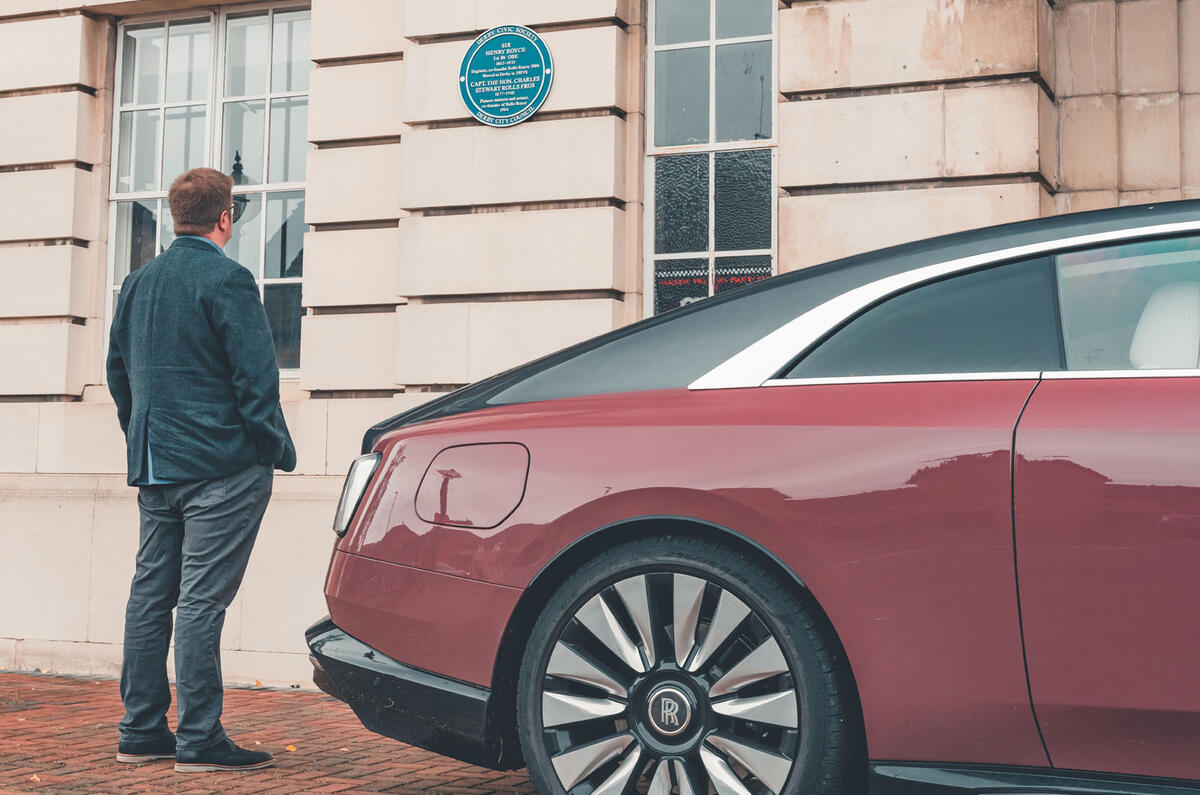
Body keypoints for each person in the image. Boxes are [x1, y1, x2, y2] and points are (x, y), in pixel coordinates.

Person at [107, 167, 297, 773]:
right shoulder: (228, 279)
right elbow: (256, 381)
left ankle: (140, 731)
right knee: (199, 603)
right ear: (225, 218)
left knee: (149, 598)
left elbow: (118, 374)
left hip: (156, 466)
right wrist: (270, 449)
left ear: (174, 216)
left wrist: (142, 436)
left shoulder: (138, 281)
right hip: (221, 467)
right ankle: (199, 739)